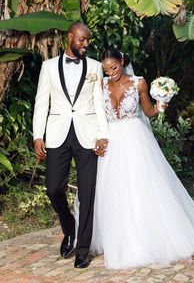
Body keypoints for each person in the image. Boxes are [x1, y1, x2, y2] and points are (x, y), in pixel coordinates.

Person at [90, 46, 194, 269]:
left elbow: (148, 111)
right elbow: (96, 112)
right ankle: (117, 239)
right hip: (111, 140)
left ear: (122, 61)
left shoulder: (139, 82)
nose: (110, 73)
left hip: (135, 139)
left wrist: (161, 105)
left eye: (114, 67)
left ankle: (146, 239)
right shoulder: (101, 84)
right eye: (106, 69)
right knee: (113, 190)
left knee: (141, 187)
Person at [33, 22, 109, 269]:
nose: (86, 44)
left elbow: (99, 104)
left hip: (88, 136)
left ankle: (82, 251)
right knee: (53, 188)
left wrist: (103, 135)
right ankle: (70, 228)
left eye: (88, 41)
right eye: (82, 40)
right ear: (70, 38)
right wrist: (37, 136)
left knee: (87, 193)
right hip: (57, 135)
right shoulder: (48, 67)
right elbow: (41, 102)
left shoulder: (96, 67)